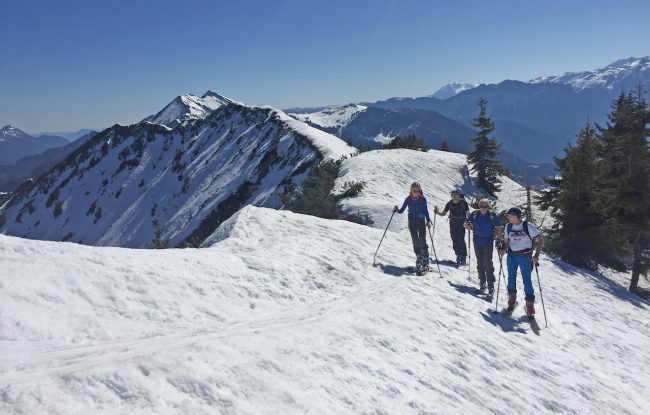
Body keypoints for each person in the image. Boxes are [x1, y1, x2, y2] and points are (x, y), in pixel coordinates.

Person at [497, 207, 544, 318]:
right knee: (511, 277)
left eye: (509, 215)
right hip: (512, 255)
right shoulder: (509, 226)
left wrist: (536, 256)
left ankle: (529, 305)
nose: (508, 217)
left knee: (526, 279)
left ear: (515, 216)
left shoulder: (528, 226)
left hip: (525, 256)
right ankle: (512, 300)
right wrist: (503, 248)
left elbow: (540, 240)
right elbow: (507, 241)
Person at [393, 182, 432, 273]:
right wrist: (396, 210)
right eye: (415, 190)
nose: (417, 192)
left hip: (421, 222)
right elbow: (402, 210)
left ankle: (425, 260)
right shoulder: (408, 199)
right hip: (412, 222)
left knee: (422, 240)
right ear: (411, 190)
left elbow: (426, 211)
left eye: (418, 191)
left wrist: (428, 221)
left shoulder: (422, 199)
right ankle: (419, 258)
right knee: (415, 241)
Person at [465, 198, 500, 295]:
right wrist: (467, 225)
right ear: (479, 206)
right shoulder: (475, 214)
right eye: (481, 206)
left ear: (488, 207)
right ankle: (482, 283)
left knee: (488, 262)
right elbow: (467, 222)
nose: (483, 208)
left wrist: (499, 239)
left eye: (485, 206)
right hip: (477, 241)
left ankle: (491, 284)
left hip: (488, 242)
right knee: (480, 262)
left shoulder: (492, 215)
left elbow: (498, 227)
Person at [434, 189, 469, 265]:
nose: (453, 195)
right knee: (454, 239)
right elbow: (444, 213)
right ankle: (458, 255)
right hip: (452, 223)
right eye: (452, 194)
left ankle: (463, 257)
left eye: (455, 194)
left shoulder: (463, 203)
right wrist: (437, 212)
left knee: (460, 239)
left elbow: (468, 214)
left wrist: (469, 222)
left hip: (461, 223)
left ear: (459, 195)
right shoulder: (449, 203)